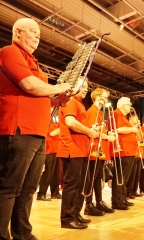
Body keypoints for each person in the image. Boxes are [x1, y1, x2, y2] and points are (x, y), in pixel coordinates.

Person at [0, 18, 71, 240]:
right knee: (10, 188)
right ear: (18, 32)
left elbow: (38, 96)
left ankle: (23, 234)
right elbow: (29, 85)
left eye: (39, 33)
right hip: (19, 129)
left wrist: (56, 99)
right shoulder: (10, 51)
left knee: (29, 188)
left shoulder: (33, 61)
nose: (38, 36)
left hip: (37, 132)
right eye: (33, 31)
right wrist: (59, 86)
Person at [57, 78, 99, 229]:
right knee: (72, 185)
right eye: (83, 85)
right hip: (72, 149)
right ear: (73, 86)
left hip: (80, 150)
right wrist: (89, 131)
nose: (86, 88)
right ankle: (67, 219)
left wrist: (90, 129)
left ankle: (75, 214)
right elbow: (70, 122)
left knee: (79, 185)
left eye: (87, 86)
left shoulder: (79, 103)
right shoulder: (70, 101)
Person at [83, 88, 115, 216]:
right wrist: (108, 137)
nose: (106, 99)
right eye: (104, 97)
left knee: (97, 178)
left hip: (99, 150)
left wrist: (107, 133)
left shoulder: (99, 113)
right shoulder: (92, 111)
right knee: (91, 179)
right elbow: (92, 131)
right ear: (97, 97)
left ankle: (99, 202)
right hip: (94, 149)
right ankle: (89, 204)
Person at [108, 97, 138, 210]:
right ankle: (117, 201)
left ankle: (122, 198)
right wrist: (132, 129)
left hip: (128, 150)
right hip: (122, 150)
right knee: (120, 176)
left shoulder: (123, 116)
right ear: (122, 105)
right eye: (128, 105)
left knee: (124, 177)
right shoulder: (115, 114)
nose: (130, 107)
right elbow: (117, 129)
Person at [37, 115, 62, 201]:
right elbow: (52, 133)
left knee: (55, 172)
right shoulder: (47, 118)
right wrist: (64, 127)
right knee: (48, 171)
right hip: (49, 148)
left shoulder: (55, 117)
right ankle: (41, 193)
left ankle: (55, 192)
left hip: (56, 148)